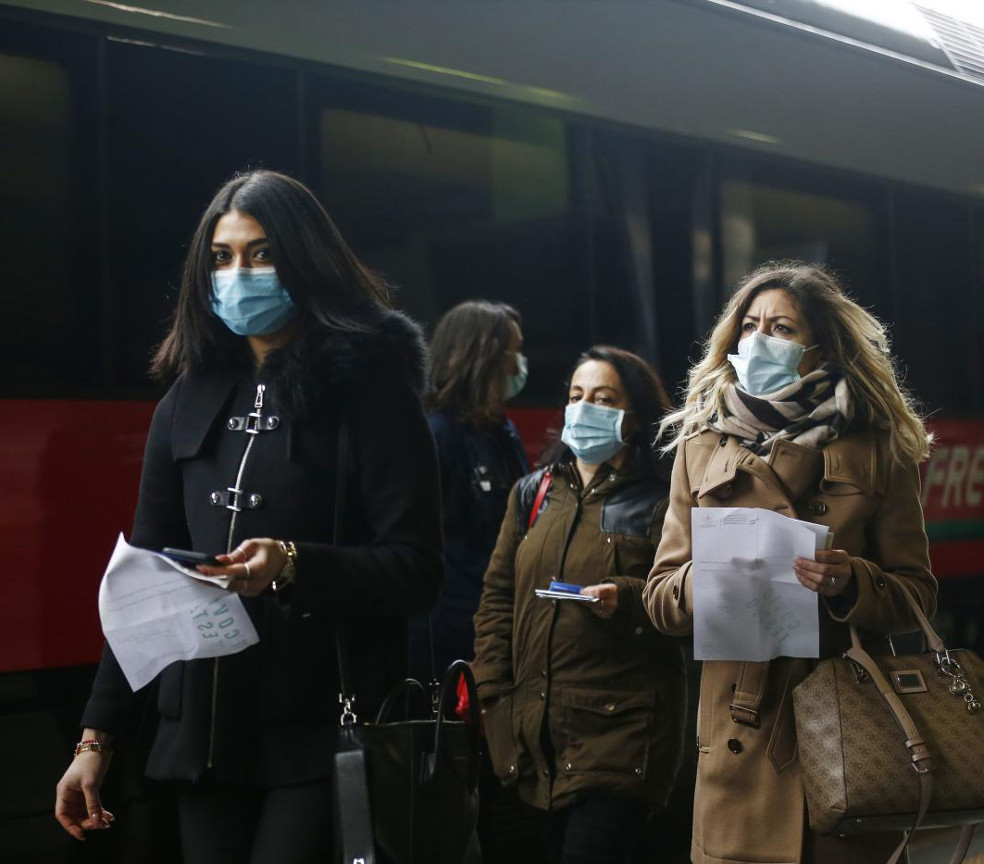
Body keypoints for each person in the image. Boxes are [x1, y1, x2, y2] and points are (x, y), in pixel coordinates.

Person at [53, 170, 443, 863]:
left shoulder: (371, 389)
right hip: (204, 731)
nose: (239, 273)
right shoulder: (187, 395)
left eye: (261, 253)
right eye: (222, 256)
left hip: (322, 726)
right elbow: (141, 583)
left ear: (304, 259)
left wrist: (295, 565)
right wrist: (95, 741)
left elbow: (416, 569)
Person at [643, 262, 936, 864]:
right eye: (749, 326)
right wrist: (706, 580)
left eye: (780, 329)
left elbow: (918, 596)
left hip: (848, 731)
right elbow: (660, 598)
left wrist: (851, 580)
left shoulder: (876, 445)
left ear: (818, 347)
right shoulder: (700, 443)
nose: (758, 340)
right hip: (738, 734)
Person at [473, 346, 687, 864]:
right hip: (529, 736)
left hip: (620, 736)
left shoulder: (663, 499)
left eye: (603, 397)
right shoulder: (534, 492)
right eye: (576, 395)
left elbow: (689, 598)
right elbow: (497, 600)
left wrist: (629, 600)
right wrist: (494, 695)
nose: (584, 407)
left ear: (634, 415)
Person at [412, 300, 531, 684]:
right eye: (513, 353)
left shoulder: (501, 431)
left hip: (498, 621)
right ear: (484, 359)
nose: (519, 366)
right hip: (450, 634)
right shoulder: (438, 435)